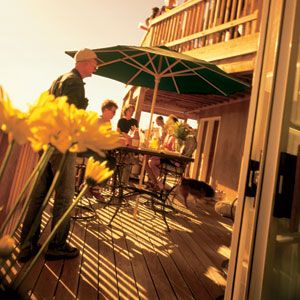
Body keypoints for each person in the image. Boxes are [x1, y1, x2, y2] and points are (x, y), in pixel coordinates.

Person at [18, 48, 98, 262]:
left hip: (47, 141)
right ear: (83, 62)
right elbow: (70, 117)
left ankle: (26, 245)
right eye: (93, 63)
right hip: (62, 144)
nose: (96, 67)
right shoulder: (74, 82)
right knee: (64, 196)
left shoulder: (59, 80)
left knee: (38, 195)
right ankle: (57, 245)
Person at [145, 114, 178, 190]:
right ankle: (155, 182)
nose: (167, 124)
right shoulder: (169, 134)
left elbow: (174, 150)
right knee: (146, 160)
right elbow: (164, 144)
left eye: (169, 122)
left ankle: (158, 184)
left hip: (170, 158)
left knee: (151, 162)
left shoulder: (175, 136)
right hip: (165, 155)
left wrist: (163, 148)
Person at [117, 104, 139, 183]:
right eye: (130, 110)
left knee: (128, 164)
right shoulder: (121, 121)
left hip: (130, 145)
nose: (132, 112)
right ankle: (117, 181)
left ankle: (124, 183)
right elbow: (118, 132)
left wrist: (130, 135)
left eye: (133, 110)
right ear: (125, 111)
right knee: (119, 163)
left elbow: (136, 134)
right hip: (122, 144)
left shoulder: (134, 121)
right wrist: (127, 136)